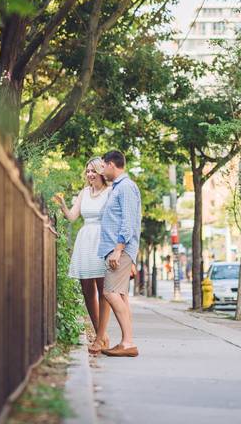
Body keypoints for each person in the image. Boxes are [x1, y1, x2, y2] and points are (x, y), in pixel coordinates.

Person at [54, 158, 113, 354]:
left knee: (103, 289)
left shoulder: (110, 192)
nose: (89, 174)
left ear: (100, 172)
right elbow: (72, 217)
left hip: (102, 240)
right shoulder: (83, 193)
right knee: (87, 289)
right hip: (85, 240)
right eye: (87, 171)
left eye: (93, 171)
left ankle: (100, 336)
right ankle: (100, 334)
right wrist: (63, 205)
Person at [97, 150, 142, 358]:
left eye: (103, 166)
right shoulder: (118, 188)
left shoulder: (126, 187)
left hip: (120, 250)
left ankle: (128, 342)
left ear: (112, 165)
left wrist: (118, 249)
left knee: (110, 293)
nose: (102, 170)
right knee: (120, 295)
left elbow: (129, 222)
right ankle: (126, 342)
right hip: (115, 249)